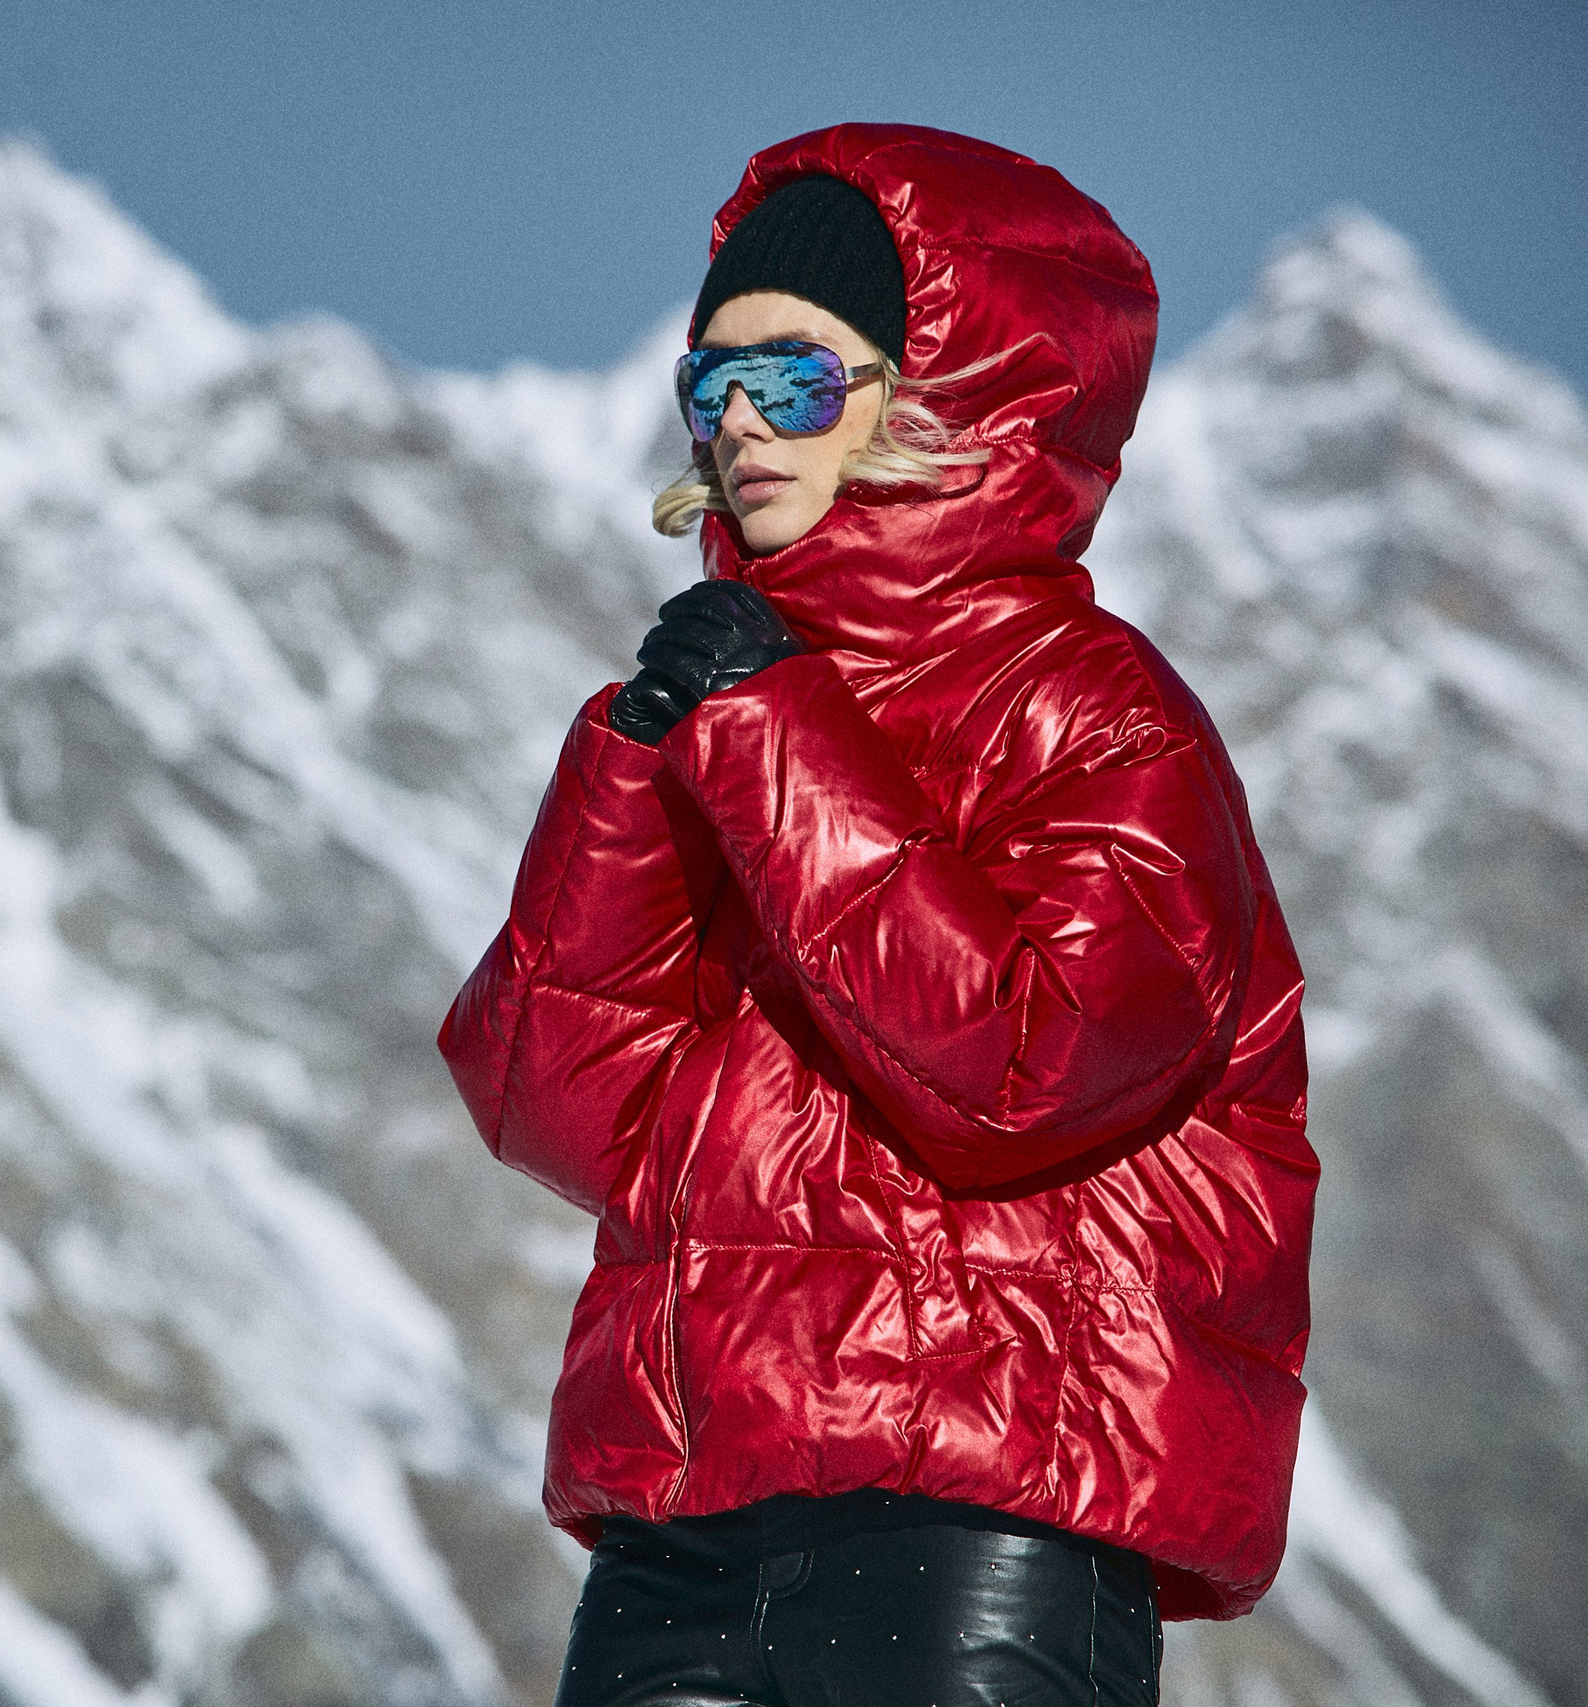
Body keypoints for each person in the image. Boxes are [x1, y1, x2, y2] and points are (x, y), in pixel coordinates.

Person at [438, 125, 1317, 1707]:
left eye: (796, 378)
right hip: (679, 1527)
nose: (740, 426)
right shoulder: (708, 706)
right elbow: (558, 1116)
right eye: (710, 386)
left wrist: (772, 738)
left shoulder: (1104, 718)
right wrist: (635, 773)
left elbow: (1029, 1069)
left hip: (975, 1520)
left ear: (945, 393)